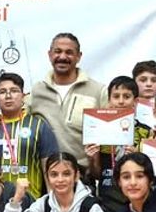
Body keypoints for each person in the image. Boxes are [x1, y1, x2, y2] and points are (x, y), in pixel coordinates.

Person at [28, 32, 108, 168]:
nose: (62, 57)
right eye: (57, 51)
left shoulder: (98, 91)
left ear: (79, 56)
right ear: (49, 54)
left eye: (69, 52)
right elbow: (16, 118)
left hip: (84, 173)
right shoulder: (37, 91)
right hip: (47, 174)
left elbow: (109, 135)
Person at [0, 72, 59, 198]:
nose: (8, 96)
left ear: (23, 96)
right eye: (2, 92)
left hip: (32, 202)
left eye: (14, 91)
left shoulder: (38, 125)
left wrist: (53, 204)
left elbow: (50, 169)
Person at [85, 76, 141, 212]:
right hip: (107, 201)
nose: (121, 101)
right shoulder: (98, 131)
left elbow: (150, 174)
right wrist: (92, 159)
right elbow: (96, 174)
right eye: (116, 96)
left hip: (136, 201)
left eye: (126, 96)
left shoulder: (145, 132)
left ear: (135, 102)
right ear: (109, 100)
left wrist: (138, 157)